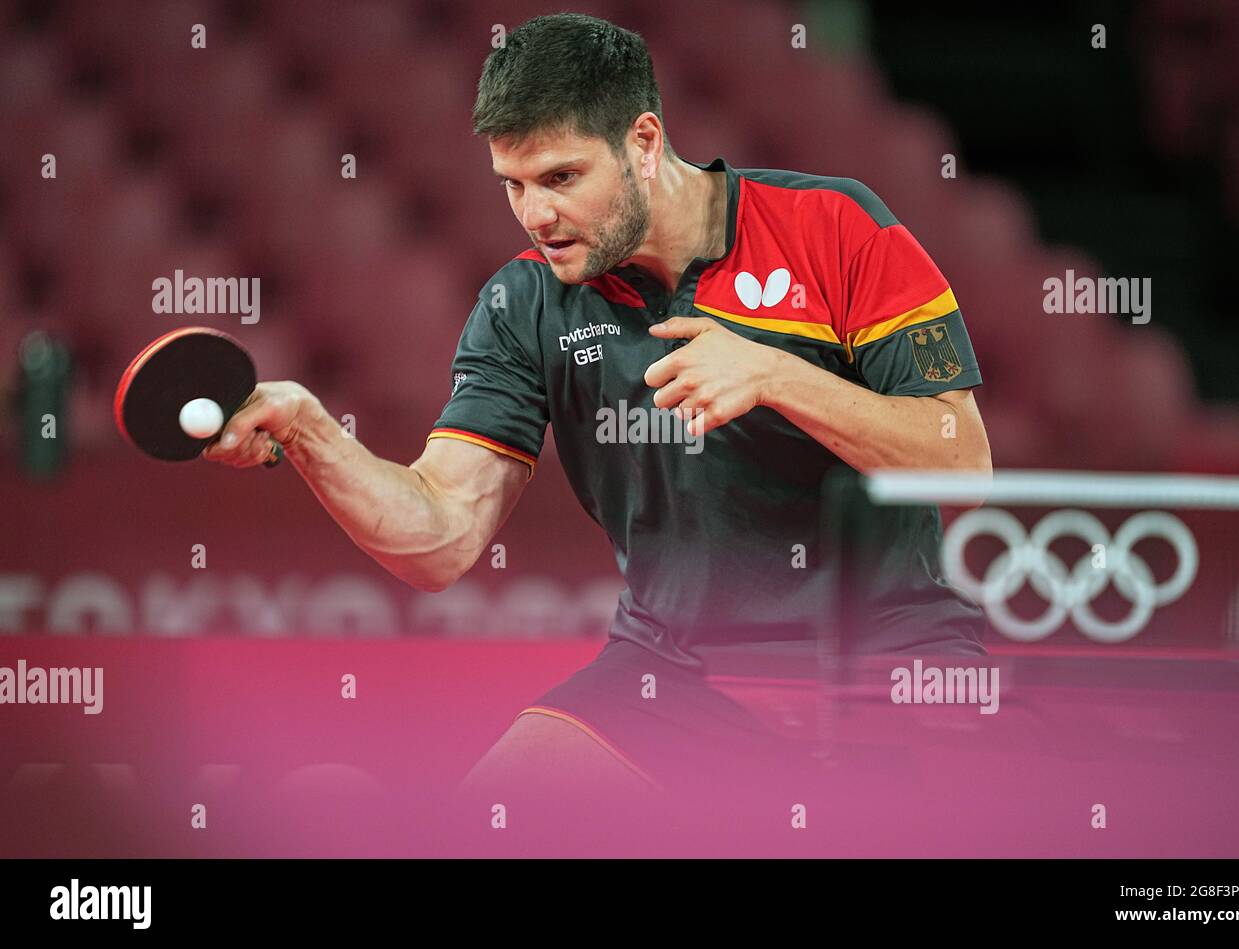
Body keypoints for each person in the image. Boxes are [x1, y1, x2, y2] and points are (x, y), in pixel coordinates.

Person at [203, 13, 992, 801]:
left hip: (889, 652)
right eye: (513, 184)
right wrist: (309, 430)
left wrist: (776, 375)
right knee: (487, 820)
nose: (535, 215)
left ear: (644, 142)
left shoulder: (836, 227)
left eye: (560, 178)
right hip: (675, 670)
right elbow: (440, 535)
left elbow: (962, 465)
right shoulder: (526, 303)